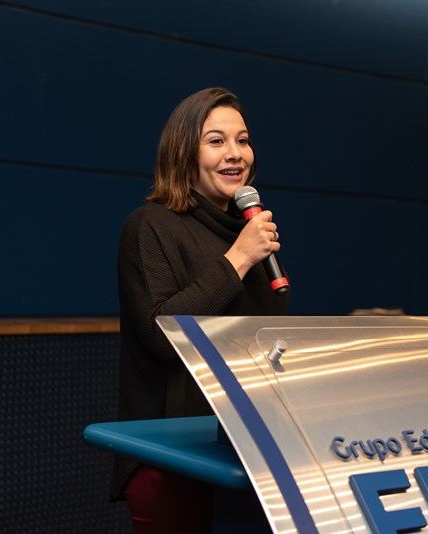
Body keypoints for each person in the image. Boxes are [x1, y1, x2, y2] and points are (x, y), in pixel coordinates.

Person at [111, 87, 286, 533]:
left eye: (243, 140)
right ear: (184, 152)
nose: (235, 153)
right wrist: (238, 260)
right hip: (173, 456)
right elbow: (162, 335)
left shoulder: (251, 231)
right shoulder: (150, 226)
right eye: (216, 141)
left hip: (246, 450)